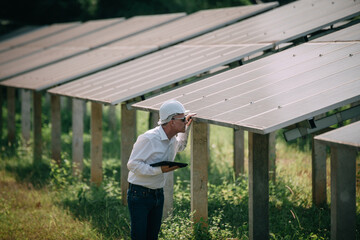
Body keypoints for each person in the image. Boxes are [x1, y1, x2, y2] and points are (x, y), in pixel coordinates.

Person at [127, 99, 195, 240]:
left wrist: (185, 127)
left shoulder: (171, 139)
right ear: (171, 121)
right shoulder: (149, 138)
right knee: (139, 237)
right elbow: (132, 164)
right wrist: (160, 170)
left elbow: (180, 146)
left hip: (158, 193)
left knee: (152, 237)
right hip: (139, 194)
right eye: (182, 119)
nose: (185, 121)